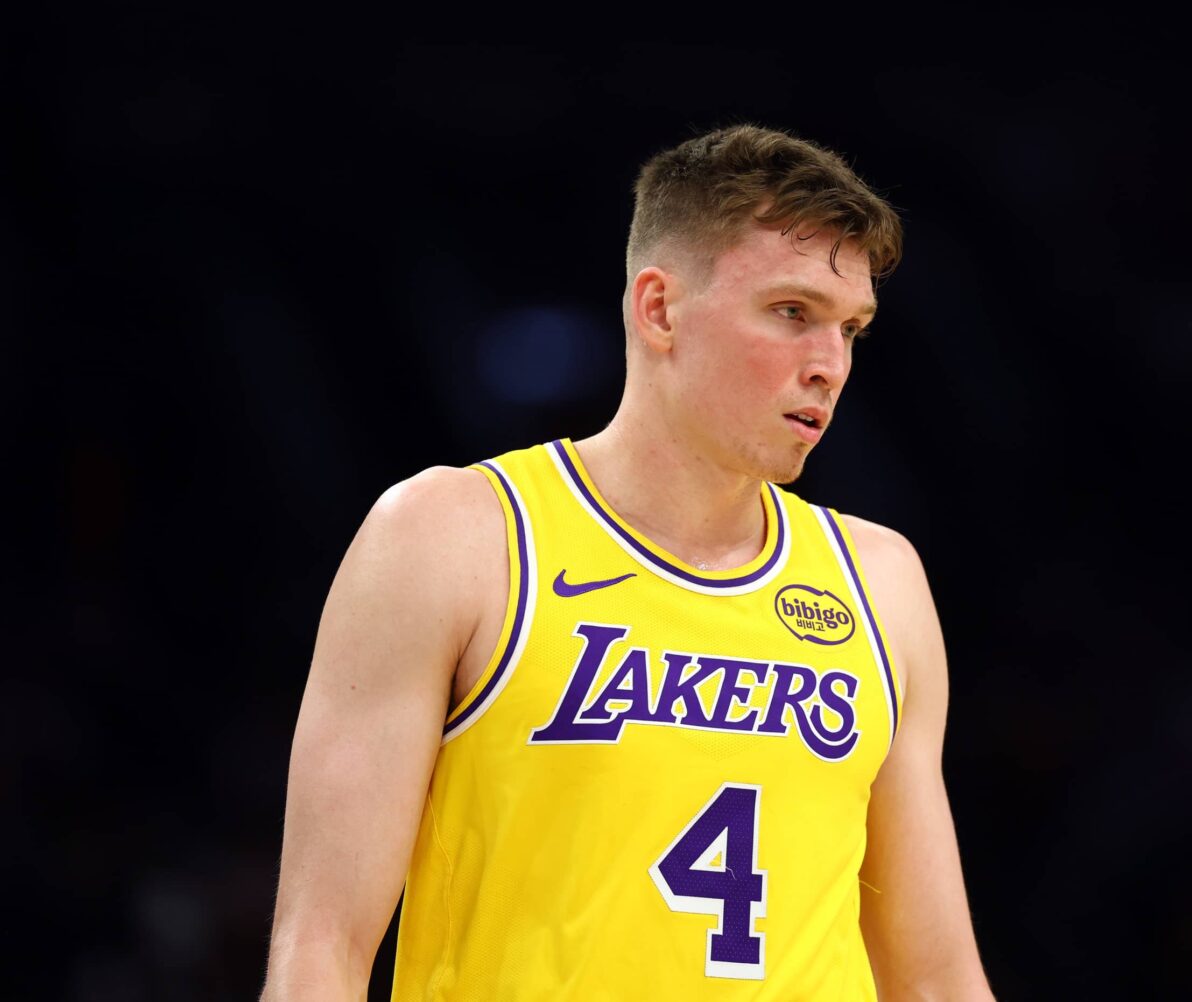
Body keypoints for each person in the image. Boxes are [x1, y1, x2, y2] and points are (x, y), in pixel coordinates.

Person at [261, 125, 993, 1000]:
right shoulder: (456, 538)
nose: (829, 365)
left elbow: (938, 979)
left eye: (851, 330)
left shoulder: (879, 579)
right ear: (658, 309)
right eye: (793, 313)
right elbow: (321, 948)